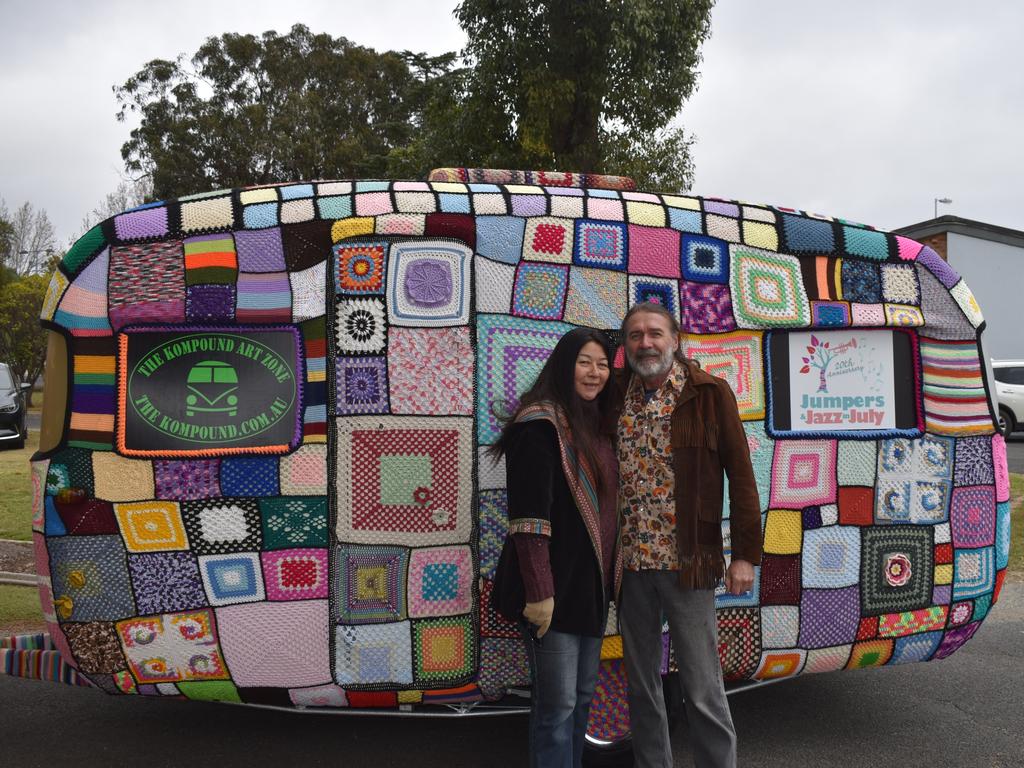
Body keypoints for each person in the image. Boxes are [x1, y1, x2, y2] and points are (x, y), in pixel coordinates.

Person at [615, 302, 762, 768]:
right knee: (641, 687)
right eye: (635, 335)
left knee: (702, 688)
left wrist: (745, 556)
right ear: (626, 346)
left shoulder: (708, 393)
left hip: (688, 562)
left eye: (655, 333)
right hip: (630, 564)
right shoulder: (617, 394)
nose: (646, 343)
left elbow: (741, 476)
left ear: (675, 339)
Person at [490, 326, 620, 768]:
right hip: (553, 590)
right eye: (585, 362)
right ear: (564, 365)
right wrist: (540, 592)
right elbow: (529, 520)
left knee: (581, 698)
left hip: (590, 589)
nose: (595, 372)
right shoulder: (539, 424)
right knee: (557, 704)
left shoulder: (598, 425)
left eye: (603, 364)